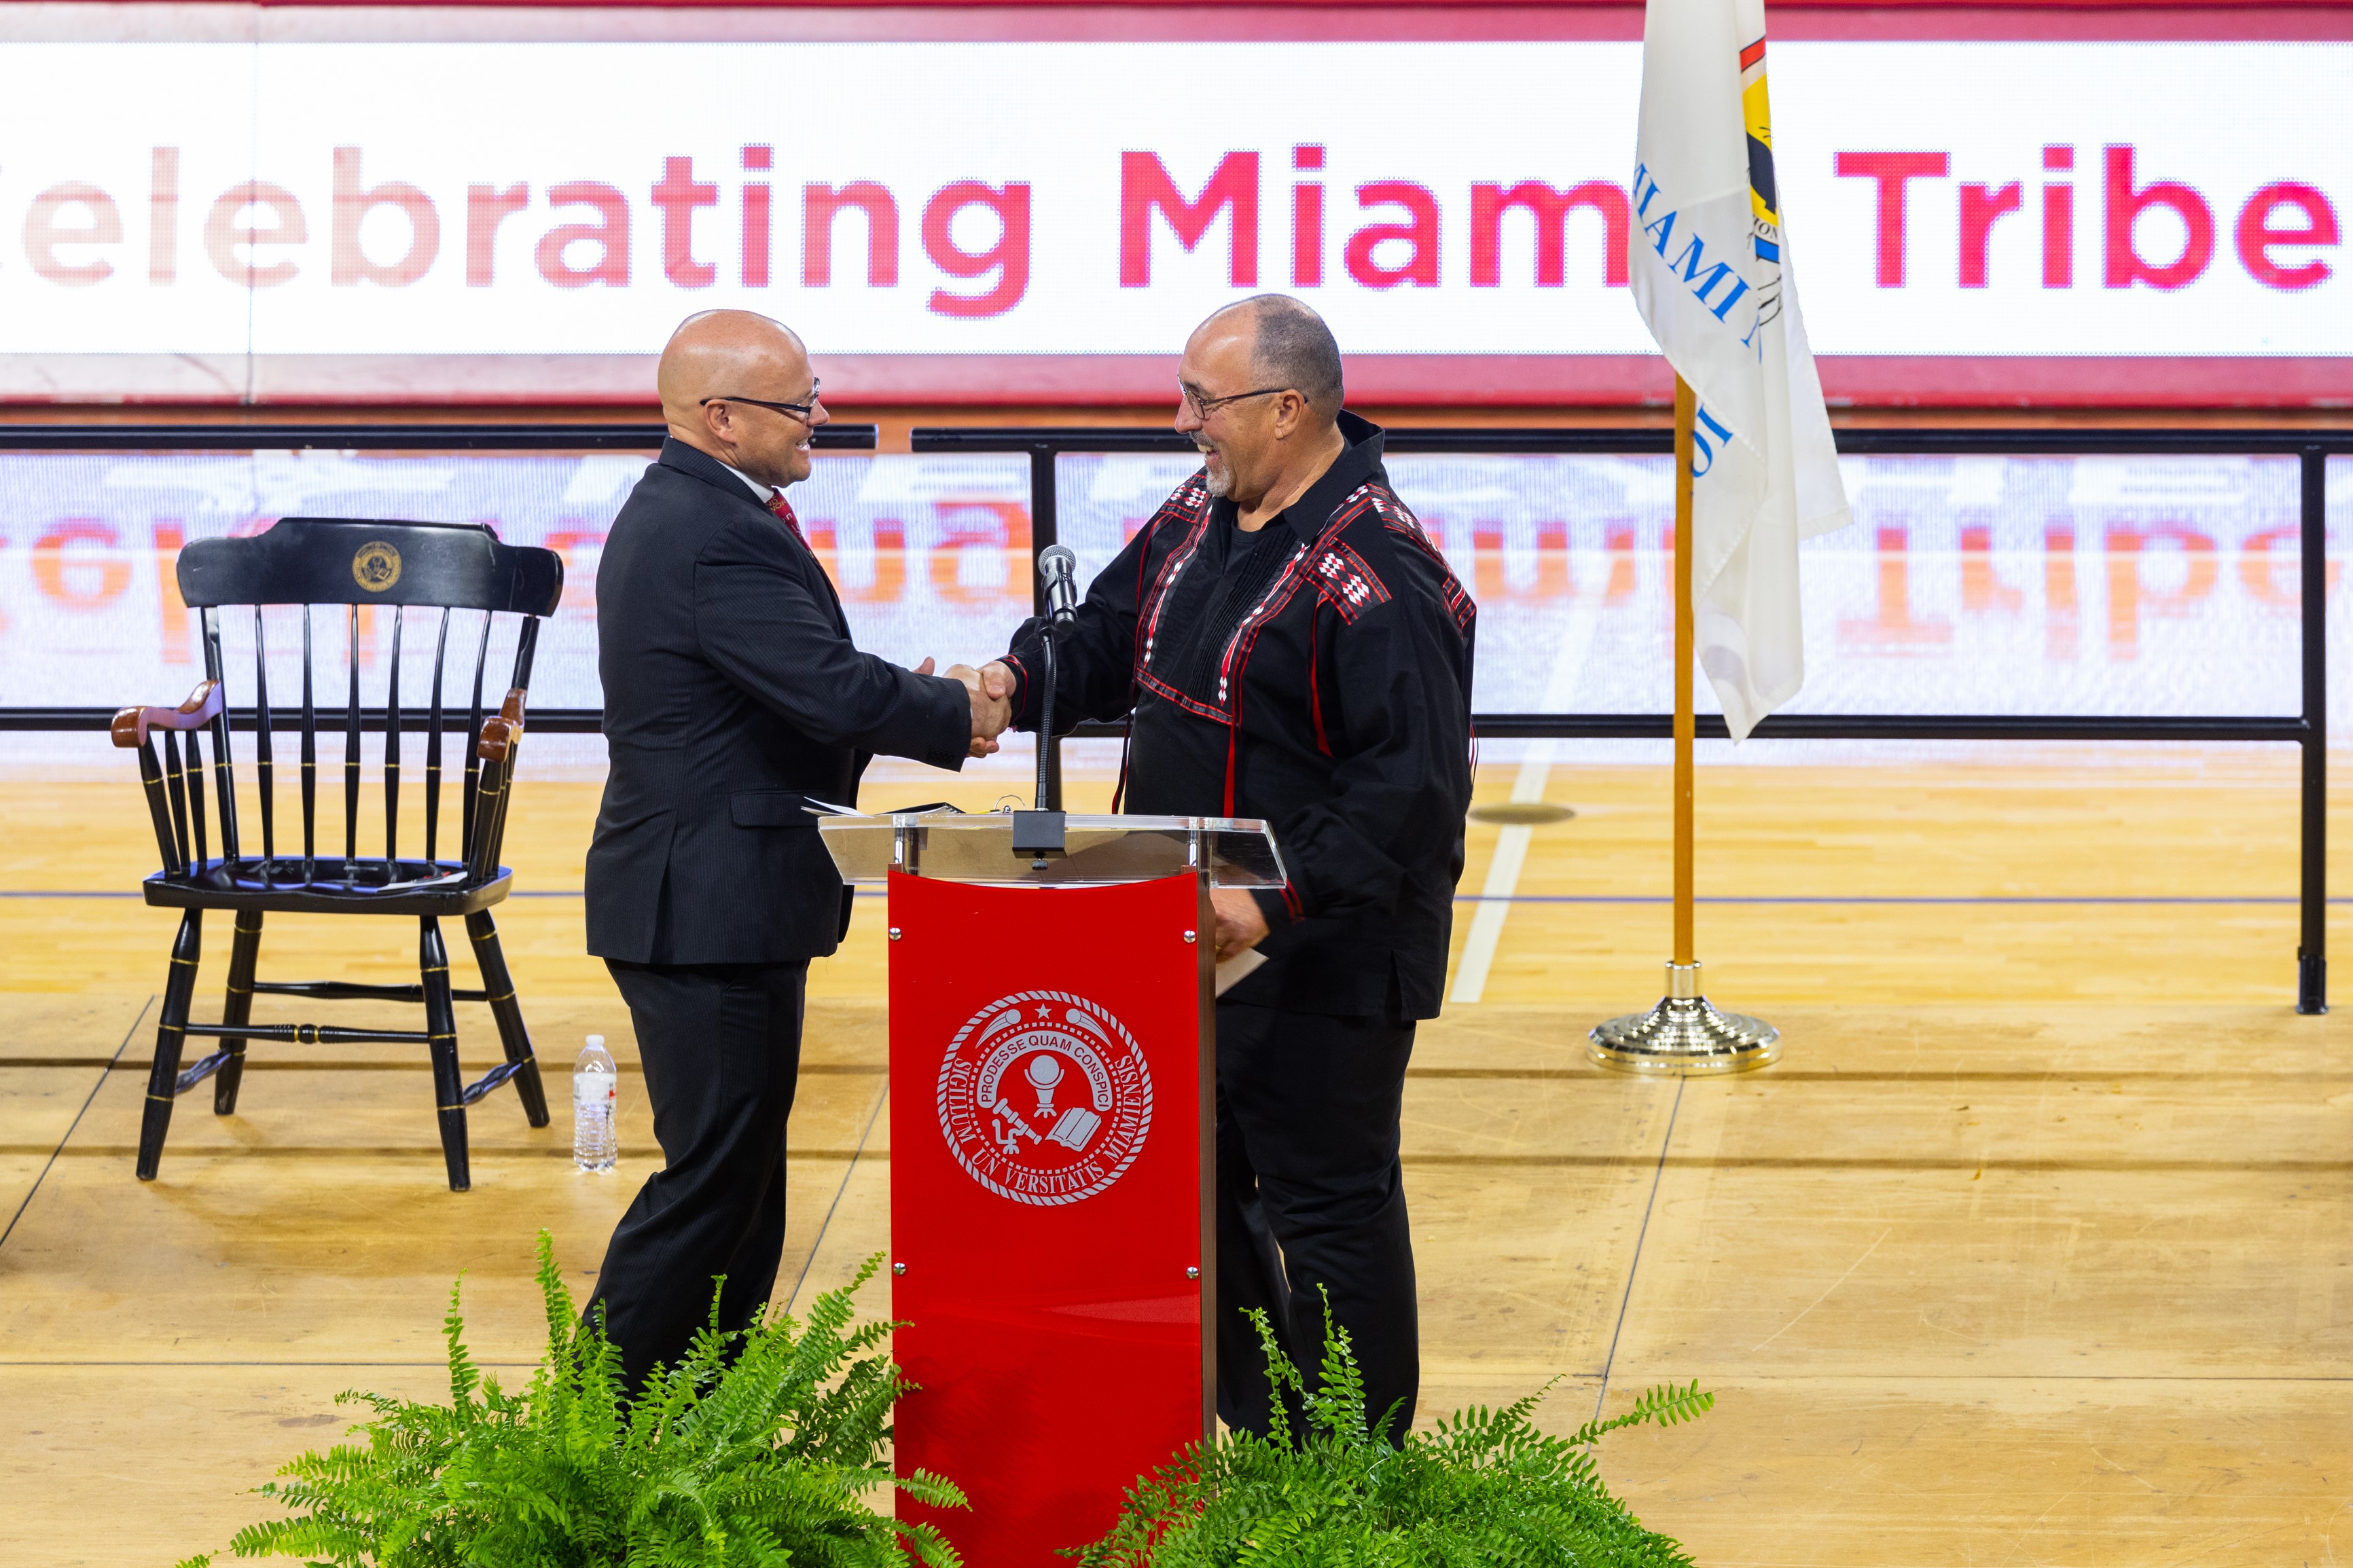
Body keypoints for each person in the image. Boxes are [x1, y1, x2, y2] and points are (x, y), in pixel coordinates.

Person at [979, 295, 1475, 1440]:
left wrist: (1267, 900)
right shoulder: (1199, 515)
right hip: (1179, 940)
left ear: (1287, 408)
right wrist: (1013, 682)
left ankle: (1352, 1478)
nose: (1182, 421)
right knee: (1197, 1202)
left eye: (1204, 401)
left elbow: (1410, 797)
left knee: (1332, 1214)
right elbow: (1110, 638)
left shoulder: (1383, 579)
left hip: (1318, 962)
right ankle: (1263, 1440)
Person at [583, 309, 1008, 1391]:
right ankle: (586, 1436)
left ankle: (701, 1437)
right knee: (712, 1186)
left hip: (730, 900)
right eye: (797, 401)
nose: (819, 414)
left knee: (740, 1188)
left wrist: (905, 700)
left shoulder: (704, 508)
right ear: (720, 418)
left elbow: (793, 686)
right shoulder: (709, 529)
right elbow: (826, 685)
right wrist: (951, 707)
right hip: (705, 906)